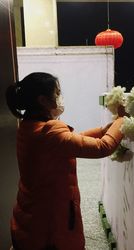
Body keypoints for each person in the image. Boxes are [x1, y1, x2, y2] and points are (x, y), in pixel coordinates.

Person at [5, 72, 124, 250]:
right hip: (50, 225)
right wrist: (122, 119)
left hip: (32, 216)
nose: (60, 97)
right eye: (57, 93)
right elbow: (102, 147)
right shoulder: (49, 133)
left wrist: (102, 129)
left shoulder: (30, 126)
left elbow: (69, 141)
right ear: (43, 101)